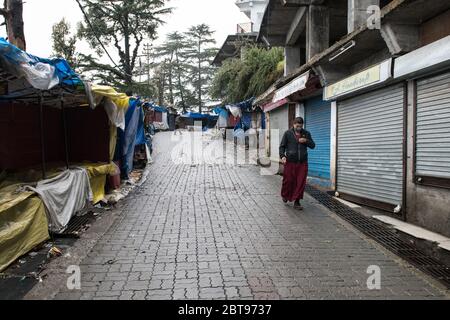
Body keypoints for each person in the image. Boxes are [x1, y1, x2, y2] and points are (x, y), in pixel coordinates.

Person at [279, 117, 315, 210]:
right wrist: (282, 156)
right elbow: (282, 146)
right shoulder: (287, 133)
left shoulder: (306, 133)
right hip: (290, 162)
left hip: (302, 163)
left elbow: (313, 145)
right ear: (293, 124)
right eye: (297, 126)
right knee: (288, 181)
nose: (298, 128)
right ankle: (285, 195)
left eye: (300, 126)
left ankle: (297, 202)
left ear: (302, 125)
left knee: (300, 182)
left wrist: (306, 141)